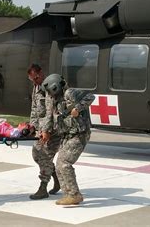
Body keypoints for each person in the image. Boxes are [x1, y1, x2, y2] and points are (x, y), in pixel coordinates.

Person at [41, 74, 95, 205]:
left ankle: (74, 194)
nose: (48, 94)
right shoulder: (56, 99)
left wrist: (77, 108)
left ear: (55, 87)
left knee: (65, 163)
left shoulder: (70, 93)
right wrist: (45, 131)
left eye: (49, 91)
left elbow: (90, 96)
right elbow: (50, 116)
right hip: (67, 135)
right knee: (60, 164)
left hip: (79, 134)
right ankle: (68, 194)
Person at [27, 64, 60, 200]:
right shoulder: (36, 87)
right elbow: (35, 109)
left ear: (41, 73)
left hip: (54, 130)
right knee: (36, 153)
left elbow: (50, 112)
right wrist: (32, 127)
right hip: (42, 129)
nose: (34, 82)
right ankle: (57, 179)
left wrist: (46, 131)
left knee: (45, 156)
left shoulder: (50, 86)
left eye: (35, 78)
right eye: (32, 80)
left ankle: (43, 188)